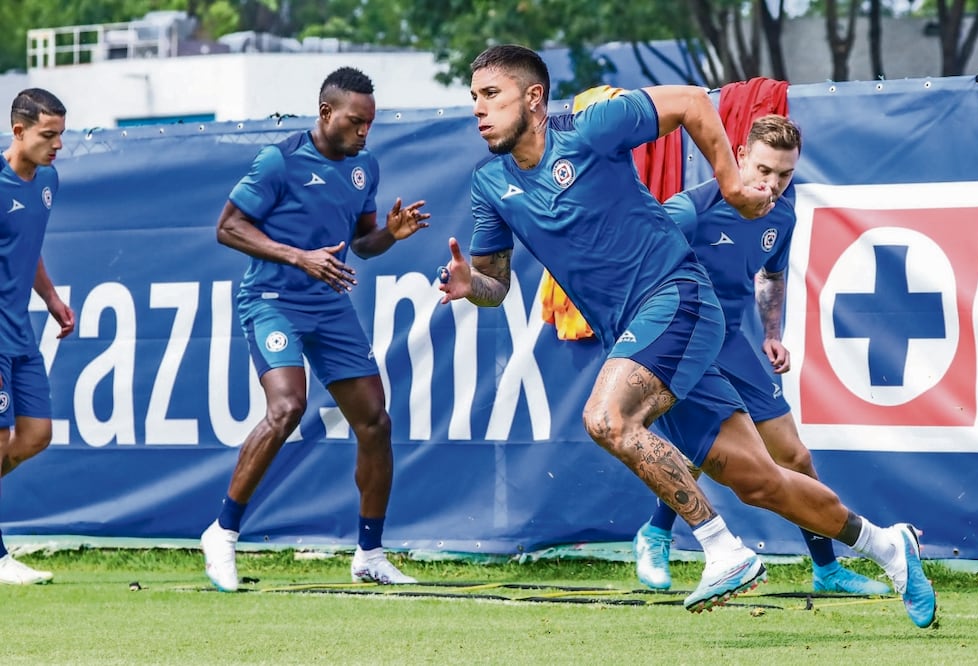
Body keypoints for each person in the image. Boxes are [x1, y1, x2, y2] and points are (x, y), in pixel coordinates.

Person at [438, 44, 936, 628]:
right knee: (763, 482)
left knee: (606, 418)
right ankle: (886, 546)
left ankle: (722, 550)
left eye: (490, 95)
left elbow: (693, 103)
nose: (479, 109)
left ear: (534, 98)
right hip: (636, 331)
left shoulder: (594, 126)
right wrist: (469, 283)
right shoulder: (489, 185)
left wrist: (728, 184)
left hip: (677, 298)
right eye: (474, 98)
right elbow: (495, 287)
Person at [633, 114, 890, 597]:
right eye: (764, 170)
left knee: (794, 456)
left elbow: (770, 276)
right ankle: (655, 535)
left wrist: (772, 333)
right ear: (740, 155)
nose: (772, 184)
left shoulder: (784, 213)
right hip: (684, 340)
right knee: (708, 451)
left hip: (732, 340)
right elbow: (635, 265)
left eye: (785, 174)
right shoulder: (693, 209)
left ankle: (827, 569)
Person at [200, 67, 428, 591]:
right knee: (287, 408)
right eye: (355, 122)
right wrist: (298, 257)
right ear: (326, 113)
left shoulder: (363, 167)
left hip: (329, 306)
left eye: (370, 123)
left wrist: (390, 235)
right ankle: (223, 533)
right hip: (271, 300)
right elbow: (228, 227)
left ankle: (369, 554)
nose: (364, 133)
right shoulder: (279, 160)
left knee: (375, 422)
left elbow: (363, 242)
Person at [0, 88, 75, 585]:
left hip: (20, 328)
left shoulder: (47, 180)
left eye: (62, 136)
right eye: (49, 136)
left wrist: (50, 297)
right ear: (19, 131)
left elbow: (28, 247)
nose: (58, 146)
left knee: (35, 435)